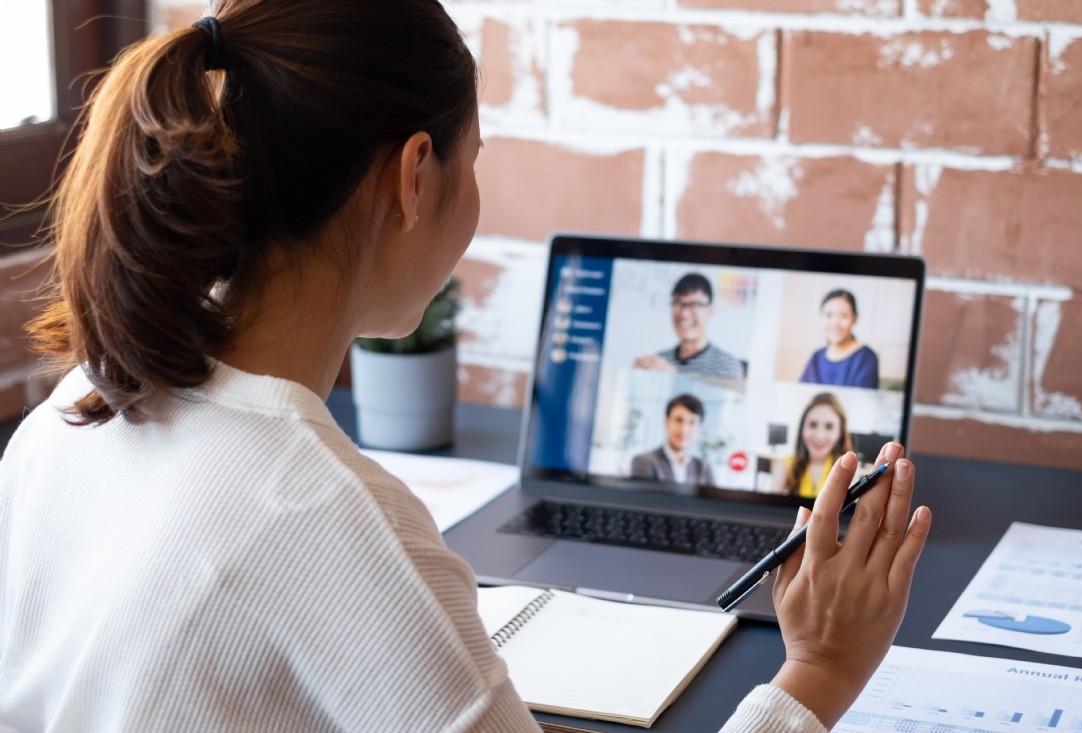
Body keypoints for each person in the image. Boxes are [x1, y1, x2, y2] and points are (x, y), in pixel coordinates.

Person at [0, 2, 931, 731]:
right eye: (472, 157)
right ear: (413, 175)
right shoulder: (323, 518)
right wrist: (818, 672)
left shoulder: (69, 416)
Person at [634, 272, 748, 381]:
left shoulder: (726, 366)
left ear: (710, 311)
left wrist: (672, 378)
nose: (684, 314)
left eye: (694, 305)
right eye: (678, 304)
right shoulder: (659, 361)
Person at [771, 393, 853, 499]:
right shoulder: (785, 465)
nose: (820, 435)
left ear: (840, 433)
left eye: (829, 427)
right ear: (802, 428)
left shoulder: (847, 469)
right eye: (813, 425)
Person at [630, 393, 715, 490]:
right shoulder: (645, 462)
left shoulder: (704, 469)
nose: (684, 429)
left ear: (699, 428)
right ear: (666, 422)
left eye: (692, 422)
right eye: (679, 420)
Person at [800, 289, 879, 388]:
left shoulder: (866, 358)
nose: (835, 323)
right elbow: (801, 394)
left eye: (843, 316)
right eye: (829, 315)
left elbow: (861, 401)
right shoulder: (816, 357)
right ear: (820, 318)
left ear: (855, 319)